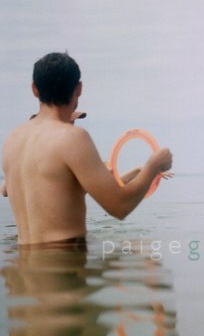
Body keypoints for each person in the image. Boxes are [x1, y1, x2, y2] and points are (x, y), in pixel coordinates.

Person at [1, 52, 173, 245]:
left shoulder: (11, 140)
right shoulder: (72, 138)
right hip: (64, 258)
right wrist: (153, 165)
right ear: (79, 89)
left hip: (22, 260)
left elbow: (8, 189)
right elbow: (120, 206)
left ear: (34, 89)